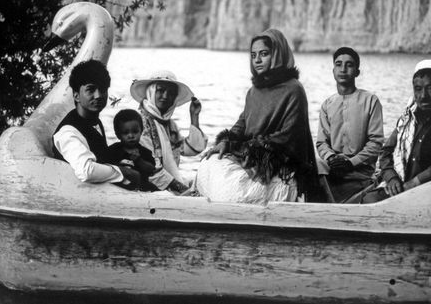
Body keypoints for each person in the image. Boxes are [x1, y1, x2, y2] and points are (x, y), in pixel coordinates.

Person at [196, 29, 320, 204]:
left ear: (278, 54)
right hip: (252, 159)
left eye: (264, 54)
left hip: (279, 166)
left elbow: (287, 138)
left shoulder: (294, 89)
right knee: (208, 164)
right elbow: (242, 123)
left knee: (231, 192)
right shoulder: (254, 91)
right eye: (253, 55)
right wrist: (226, 142)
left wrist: (243, 148)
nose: (257, 60)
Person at [349, 59, 431, 204]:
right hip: (401, 188)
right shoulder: (407, 119)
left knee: (369, 201)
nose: (423, 96)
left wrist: (417, 181)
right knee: (362, 199)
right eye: (418, 89)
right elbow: (385, 152)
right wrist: (391, 178)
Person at [52, 59, 137, 188]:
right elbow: (87, 171)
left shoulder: (93, 120)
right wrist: (123, 172)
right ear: (76, 96)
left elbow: (100, 156)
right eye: (90, 90)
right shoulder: (68, 132)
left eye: (102, 89)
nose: (98, 95)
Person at [316, 47, 384, 203]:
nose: (343, 69)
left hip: (360, 172)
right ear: (333, 71)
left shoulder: (371, 101)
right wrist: (332, 158)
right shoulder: (327, 105)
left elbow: (376, 143)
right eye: (338, 64)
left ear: (357, 72)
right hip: (333, 169)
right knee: (314, 165)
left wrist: (351, 163)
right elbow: (321, 143)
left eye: (349, 65)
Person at [130, 70, 207, 193]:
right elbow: (150, 169)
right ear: (151, 91)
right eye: (160, 90)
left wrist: (194, 116)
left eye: (171, 93)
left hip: (168, 186)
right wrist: (182, 190)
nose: (165, 96)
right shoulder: (140, 123)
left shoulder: (169, 124)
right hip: (147, 188)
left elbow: (189, 149)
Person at [101, 109, 158, 192]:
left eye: (135, 132)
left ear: (141, 131)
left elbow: (151, 170)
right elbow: (105, 167)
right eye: (125, 133)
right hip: (118, 189)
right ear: (118, 134)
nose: (131, 136)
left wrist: (139, 160)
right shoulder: (113, 150)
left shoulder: (144, 151)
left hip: (142, 187)